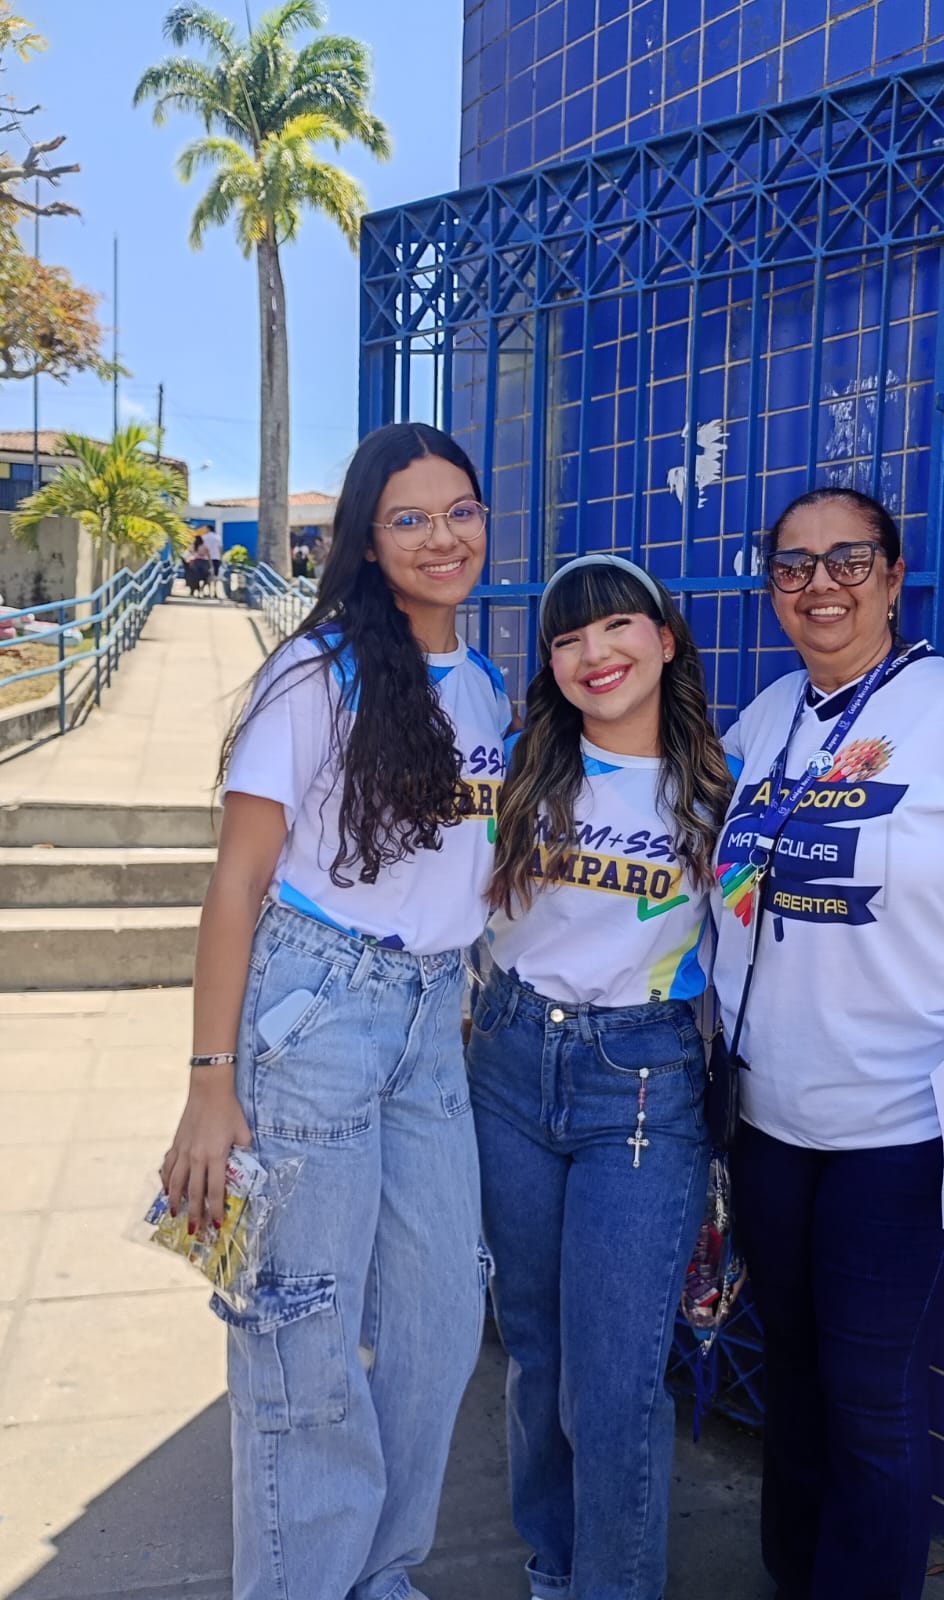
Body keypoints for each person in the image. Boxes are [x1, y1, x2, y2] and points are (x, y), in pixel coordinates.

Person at [713, 486, 944, 1600]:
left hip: (908, 1134)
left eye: (847, 559)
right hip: (770, 1123)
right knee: (791, 1379)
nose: (819, 584)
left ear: (890, 578)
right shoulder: (767, 719)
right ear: (771, 588)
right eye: (792, 566)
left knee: (872, 1399)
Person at [160, 422, 509, 1600]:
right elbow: (237, 882)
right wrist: (211, 1084)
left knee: (438, 1319)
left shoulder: (483, 686)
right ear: (365, 539)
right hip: (316, 1016)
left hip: (430, 1024)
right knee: (301, 1326)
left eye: (458, 511)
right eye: (409, 518)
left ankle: (379, 1574)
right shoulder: (316, 673)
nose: (440, 537)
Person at [468, 553, 732, 1600]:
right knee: (534, 1352)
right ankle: (555, 1569)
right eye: (568, 638)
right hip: (509, 1061)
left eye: (617, 626)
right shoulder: (517, 766)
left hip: (641, 1082)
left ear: (664, 639)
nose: (594, 653)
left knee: (614, 1380)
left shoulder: (718, 786)